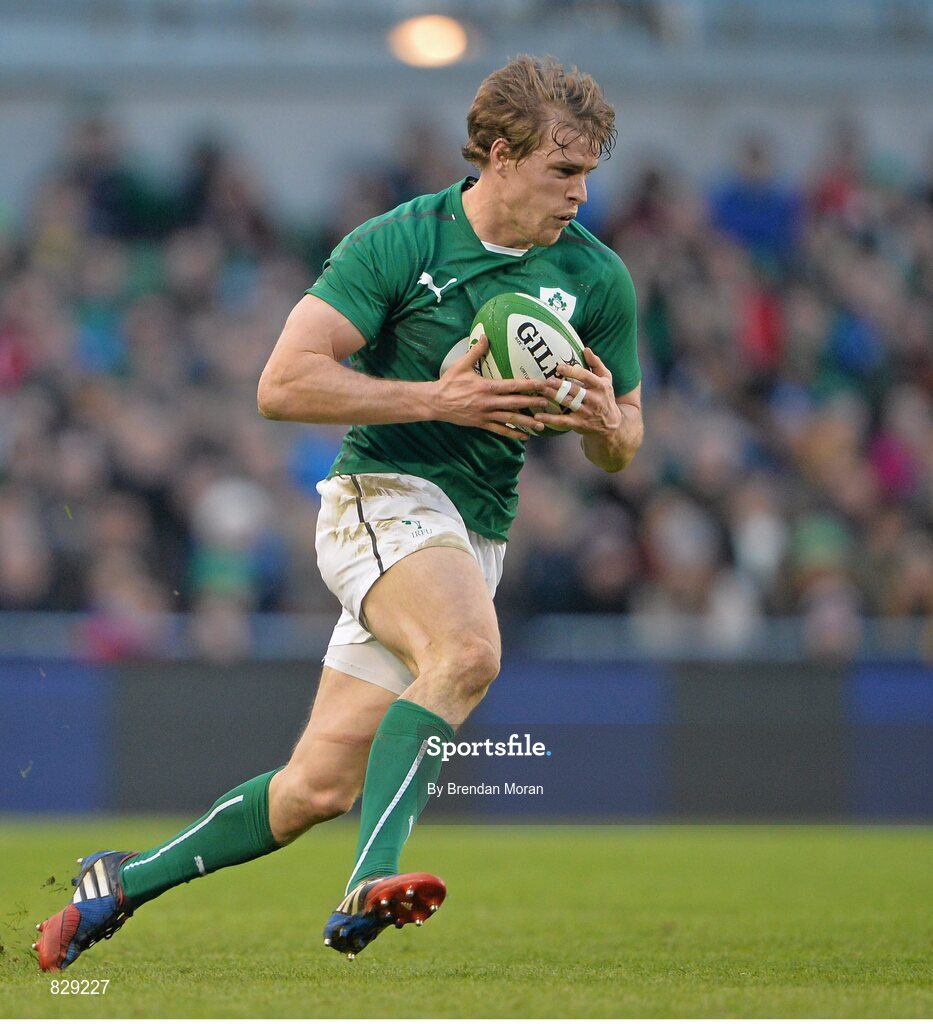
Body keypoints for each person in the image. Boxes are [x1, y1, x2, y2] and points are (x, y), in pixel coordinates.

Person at [34, 54, 643, 971]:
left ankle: (117, 883)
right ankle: (373, 876)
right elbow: (282, 385)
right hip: (381, 499)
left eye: (590, 170)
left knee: (313, 788)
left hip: (474, 530)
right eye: (565, 169)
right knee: (468, 654)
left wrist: (604, 424)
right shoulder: (398, 242)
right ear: (500, 155)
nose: (583, 193)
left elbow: (624, 440)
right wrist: (437, 402)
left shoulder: (597, 278)